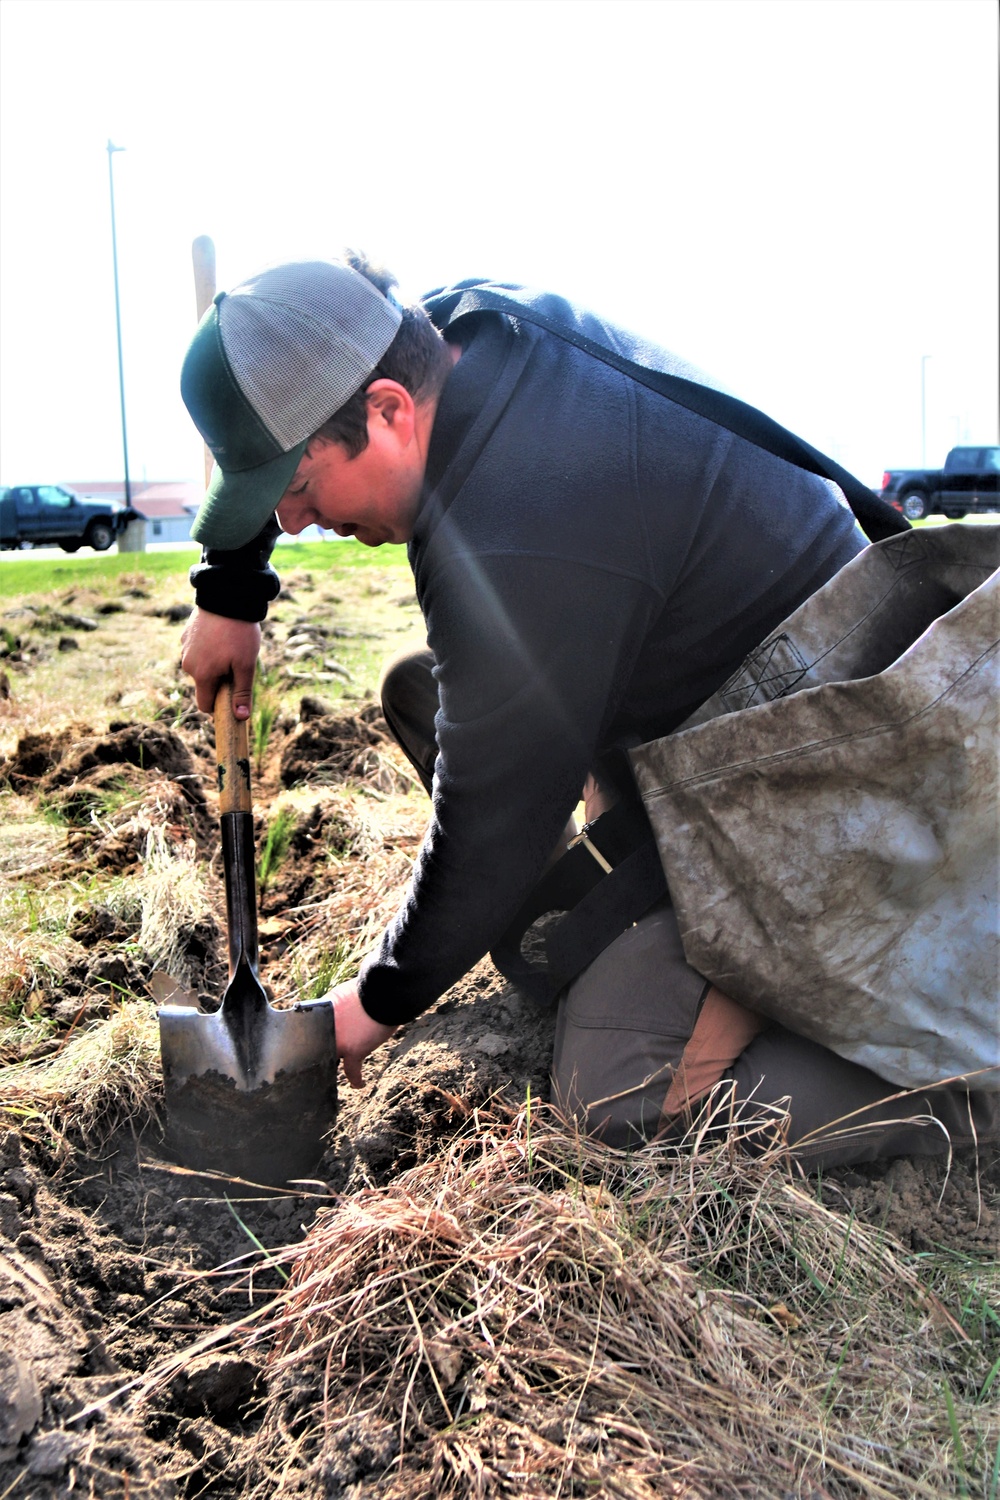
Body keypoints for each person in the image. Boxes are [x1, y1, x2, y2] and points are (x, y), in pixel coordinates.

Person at [179, 253, 997, 1169]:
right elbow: (287, 418)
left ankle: (951, 1095)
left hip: (815, 765)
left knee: (612, 1098)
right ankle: (627, 902)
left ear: (387, 412)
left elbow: (492, 826)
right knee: (426, 692)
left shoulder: (525, 528)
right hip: (709, 693)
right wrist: (232, 591)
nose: (291, 521)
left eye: (296, 491)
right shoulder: (446, 332)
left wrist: (365, 1013)